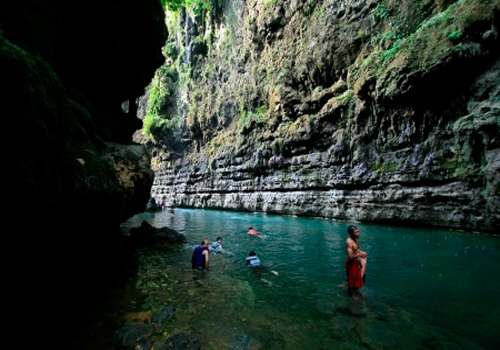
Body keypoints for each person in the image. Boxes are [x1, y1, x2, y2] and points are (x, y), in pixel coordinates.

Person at [345, 224, 368, 296]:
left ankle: (355, 294)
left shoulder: (355, 238)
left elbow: (356, 250)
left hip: (355, 263)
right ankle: (351, 296)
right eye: (356, 232)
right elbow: (351, 256)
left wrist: (361, 252)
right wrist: (361, 255)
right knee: (351, 284)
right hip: (351, 264)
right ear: (351, 233)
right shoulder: (349, 242)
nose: (358, 233)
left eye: (358, 231)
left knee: (355, 282)